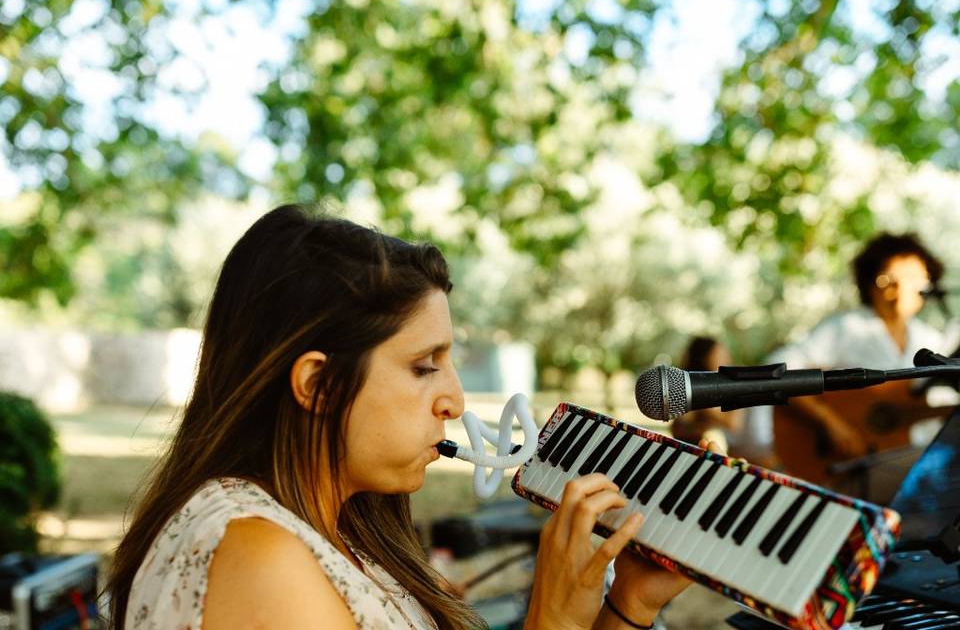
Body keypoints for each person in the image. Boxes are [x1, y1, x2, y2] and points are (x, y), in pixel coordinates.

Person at [105, 205, 703, 630]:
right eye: (424, 366)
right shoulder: (258, 556)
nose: (456, 402)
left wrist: (629, 604)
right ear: (317, 384)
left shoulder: (339, 535)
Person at [741, 232, 955, 469]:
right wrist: (829, 421)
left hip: (902, 458)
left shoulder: (931, 339)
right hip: (838, 464)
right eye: (894, 277)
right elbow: (779, 367)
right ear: (874, 283)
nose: (908, 287)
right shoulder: (848, 327)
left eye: (918, 278)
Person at [670, 336, 745, 456]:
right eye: (719, 354)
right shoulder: (683, 383)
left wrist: (701, 402)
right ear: (705, 357)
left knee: (713, 436)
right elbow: (680, 424)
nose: (726, 358)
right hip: (687, 444)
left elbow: (734, 424)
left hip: (717, 445)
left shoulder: (732, 385)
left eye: (725, 354)